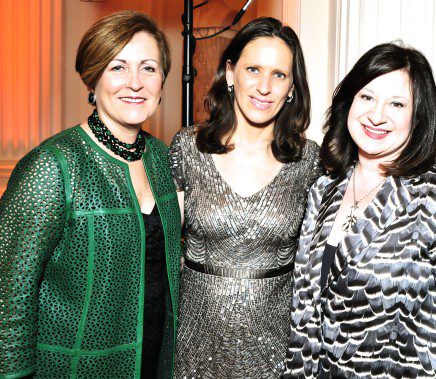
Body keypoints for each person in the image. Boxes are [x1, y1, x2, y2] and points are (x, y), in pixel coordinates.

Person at [0, 10, 181, 379]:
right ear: (92, 79)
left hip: (156, 364)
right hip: (74, 368)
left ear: (162, 81)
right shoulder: (52, 166)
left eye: (148, 68)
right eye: (118, 67)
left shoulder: (165, 159)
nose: (135, 83)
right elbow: (10, 296)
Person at [284, 42, 436, 378]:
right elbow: (304, 319)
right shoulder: (323, 190)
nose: (376, 115)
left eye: (397, 103)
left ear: (418, 117)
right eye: (367, 97)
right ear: (349, 103)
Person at [169, 17, 322, 378]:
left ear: (291, 89)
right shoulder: (188, 148)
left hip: (276, 349)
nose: (264, 86)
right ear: (230, 73)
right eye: (253, 69)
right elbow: (163, 255)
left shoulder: (310, 161)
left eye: (279, 75)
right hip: (192, 344)